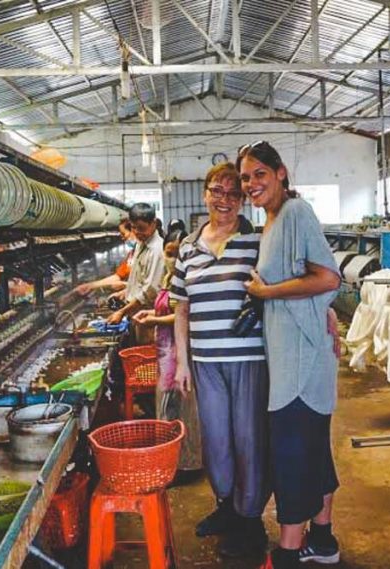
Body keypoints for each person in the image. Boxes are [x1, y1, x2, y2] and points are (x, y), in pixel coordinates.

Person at [238, 141, 343, 569]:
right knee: (313, 451)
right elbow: (315, 285)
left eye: (259, 174)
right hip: (297, 355)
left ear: (281, 173)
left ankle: (286, 555)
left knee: (293, 457)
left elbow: (328, 276)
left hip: (299, 362)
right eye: (246, 178)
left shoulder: (296, 213)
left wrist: (267, 293)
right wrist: (324, 310)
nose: (251, 184)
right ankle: (322, 541)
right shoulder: (272, 220)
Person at [170, 162, 270, 558]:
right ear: (205, 193)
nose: (224, 200)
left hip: (249, 359)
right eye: (217, 191)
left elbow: (282, 288)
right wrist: (182, 362)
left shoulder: (258, 241)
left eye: (233, 193)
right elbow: (181, 309)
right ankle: (226, 508)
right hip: (205, 361)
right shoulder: (187, 249)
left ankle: (250, 520)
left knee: (249, 439)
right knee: (216, 442)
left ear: (243, 199)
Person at [133, 229, 202, 472]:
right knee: (166, 407)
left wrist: (154, 321)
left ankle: (184, 464)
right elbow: (165, 310)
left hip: (177, 352)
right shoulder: (167, 279)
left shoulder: (186, 281)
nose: (170, 258)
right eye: (168, 253)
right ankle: (171, 461)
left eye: (175, 254)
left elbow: (182, 316)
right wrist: (150, 313)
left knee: (177, 410)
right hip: (164, 352)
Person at [107, 203, 163, 326]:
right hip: (137, 314)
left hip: (148, 317)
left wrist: (121, 312)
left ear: (153, 223)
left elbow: (150, 291)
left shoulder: (157, 250)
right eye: (133, 228)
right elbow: (138, 280)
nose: (137, 232)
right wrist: (126, 292)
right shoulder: (140, 244)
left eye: (141, 228)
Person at [74, 218, 134, 296]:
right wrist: (90, 286)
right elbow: (118, 276)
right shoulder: (132, 255)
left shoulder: (149, 253)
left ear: (134, 231)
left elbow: (150, 286)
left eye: (123, 234)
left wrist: (125, 285)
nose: (122, 238)